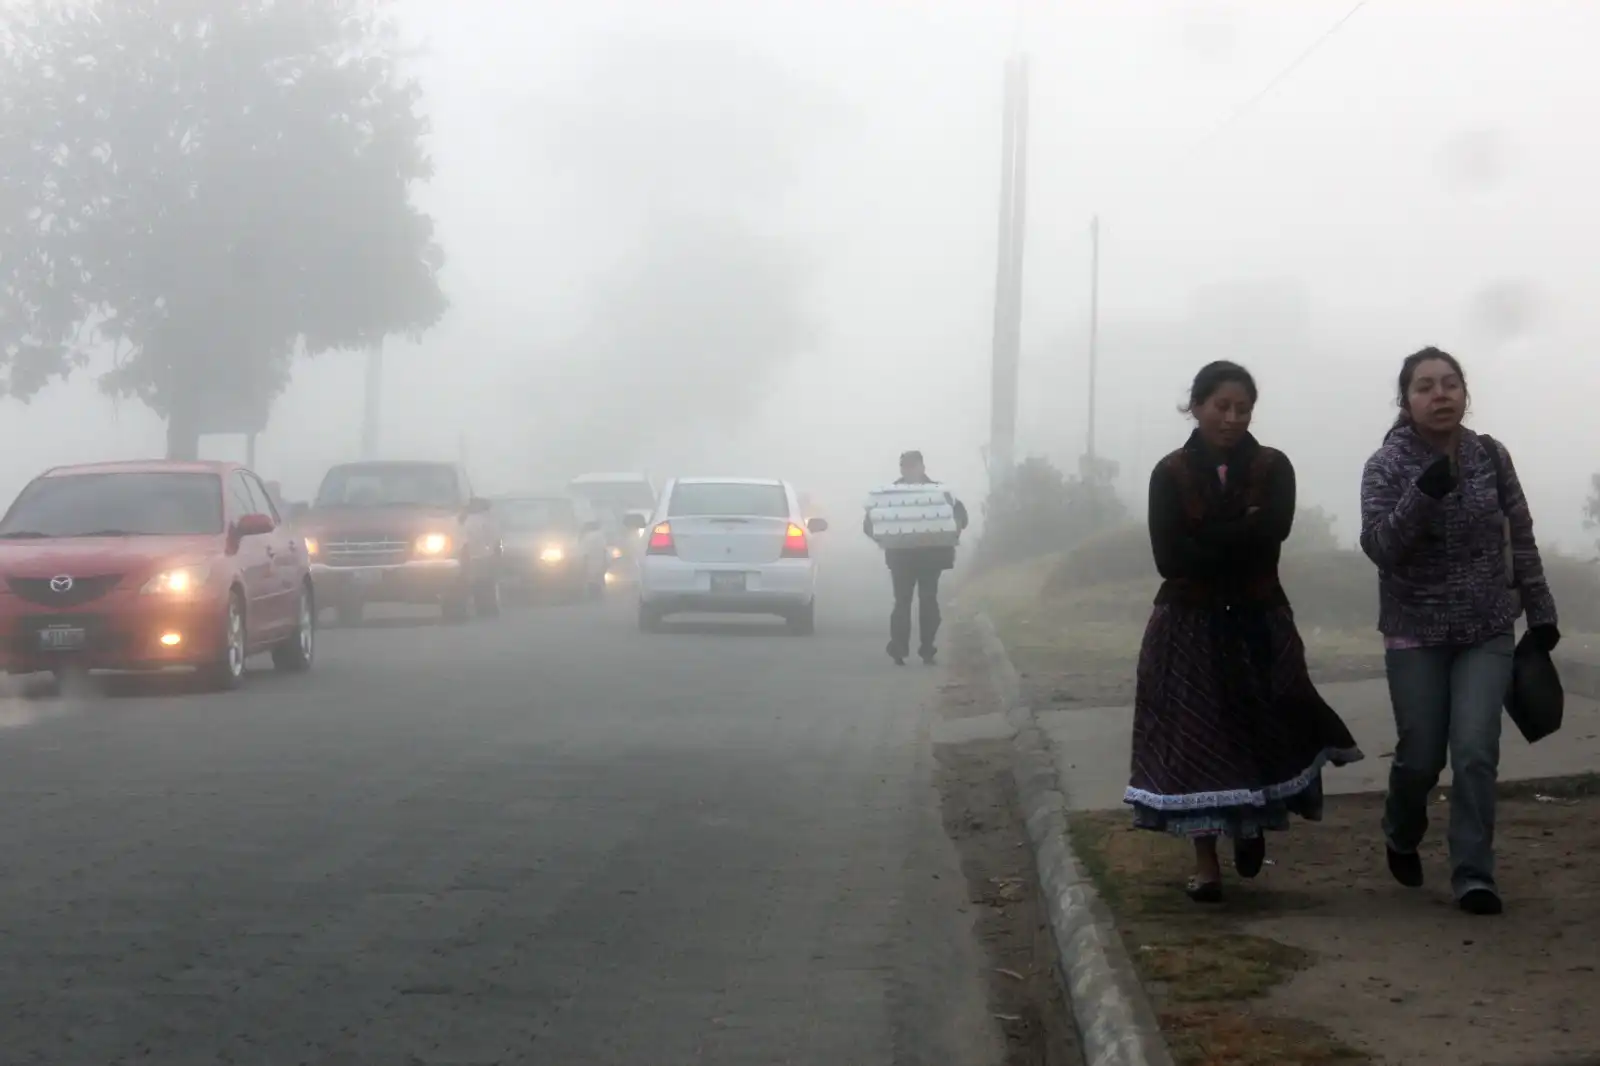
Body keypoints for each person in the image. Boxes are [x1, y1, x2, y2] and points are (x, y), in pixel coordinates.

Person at [1127, 361, 1363, 902]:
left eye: (1243, 409)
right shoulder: (1169, 473)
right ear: (1197, 406)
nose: (1232, 418)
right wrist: (1242, 528)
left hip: (1259, 620)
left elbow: (1273, 532)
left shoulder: (1273, 466)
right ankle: (1205, 862)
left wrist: (1207, 535)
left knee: (1265, 722)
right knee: (1196, 737)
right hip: (1187, 626)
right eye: (1222, 407)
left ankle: (1251, 823)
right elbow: (1171, 559)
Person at [1358, 346, 1558, 916]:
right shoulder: (1386, 464)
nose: (1440, 394)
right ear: (1406, 400)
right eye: (1425, 386)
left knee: (1474, 751)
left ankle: (1473, 874)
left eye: (1450, 383)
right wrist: (1424, 493)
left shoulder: (1490, 455)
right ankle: (1401, 829)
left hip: (1486, 628)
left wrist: (1540, 612)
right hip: (1414, 633)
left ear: (1465, 394)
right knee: (1421, 757)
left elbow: (1520, 533)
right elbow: (1381, 548)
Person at [863, 450, 969, 666]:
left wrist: (952, 529)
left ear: (922, 467)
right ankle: (902, 649)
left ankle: (924, 648)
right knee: (905, 602)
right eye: (905, 466)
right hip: (904, 558)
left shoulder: (940, 493)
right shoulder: (890, 495)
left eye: (912, 466)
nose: (909, 470)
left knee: (925, 601)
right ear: (902, 469)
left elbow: (960, 518)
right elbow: (871, 524)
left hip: (927, 557)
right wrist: (883, 537)